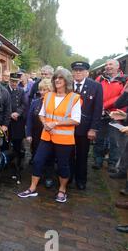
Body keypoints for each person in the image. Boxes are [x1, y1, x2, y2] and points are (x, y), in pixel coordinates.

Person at [18, 68, 81, 203]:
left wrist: (55, 124)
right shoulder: (48, 96)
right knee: (37, 160)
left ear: (67, 81)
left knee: (63, 165)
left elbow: (76, 120)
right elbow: (41, 114)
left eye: (60, 78)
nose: (57, 80)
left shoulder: (74, 98)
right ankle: (32, 188)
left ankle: (62, 190)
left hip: (64, 139)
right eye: (56, 78)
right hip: (46, 137)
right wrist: (45, 123)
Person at [68, 61, 103, 190]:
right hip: (67, 127)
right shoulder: (67, 85)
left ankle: (81, 180)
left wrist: (93, 129)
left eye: (81, 70)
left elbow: (97, 109)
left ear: (87, 73)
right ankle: (68, 177)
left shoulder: (95, 86)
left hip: (85, 128)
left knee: (82, 155)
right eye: (76, 70)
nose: (78, 72)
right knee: (68, 154)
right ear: (72, 72)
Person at [93, 59, 126, 172]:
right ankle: (98, 160)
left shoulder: (125, 80)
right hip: (101, 113)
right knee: (99, 139)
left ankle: (112, 164)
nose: (107, 66)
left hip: (117, 115)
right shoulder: (100, 78)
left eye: (110, 64)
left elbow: (121, 97)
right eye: (106, 65)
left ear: (117, 66)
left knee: (115, 141)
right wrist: (98, 107)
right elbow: (94, 92)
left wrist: (104, 105)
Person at [26, 79, 54, 187]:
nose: (42, 92)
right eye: (40, 90)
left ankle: (48, 176)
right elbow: (29, 119)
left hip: (49, 133)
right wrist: (28, 134)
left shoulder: (54, 103)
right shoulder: (35, 102)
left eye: (45, 90)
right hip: (36, 134)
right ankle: (38, 175)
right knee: (36, 156)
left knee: (49, 156)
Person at [7, 72, 27, 167]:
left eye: (16, 81)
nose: (14, 83)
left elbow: (24, 104)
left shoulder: (21, 90)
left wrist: (18, 113)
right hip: (7, 120)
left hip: (18, 121)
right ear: (9, 80)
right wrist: (10, 113)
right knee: (6, 142)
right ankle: (6, 161)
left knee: (18, 142)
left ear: (19, 81)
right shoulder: (4, 90)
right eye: (12, 81)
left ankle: (18, 162)